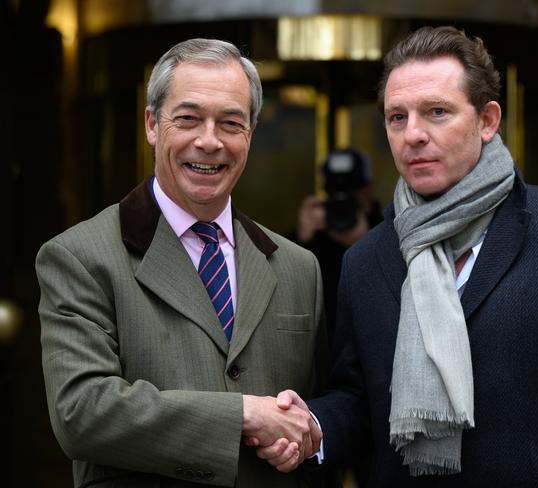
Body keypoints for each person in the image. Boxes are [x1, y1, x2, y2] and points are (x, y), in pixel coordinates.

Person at [255, 26, 538, 486]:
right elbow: (359, 402)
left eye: (437, 112)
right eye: (397, 117)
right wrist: (313, 428)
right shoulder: (366, 261)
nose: (414, 134)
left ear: (487, 120)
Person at [36, 38, 328, 487]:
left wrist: (307, 429)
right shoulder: (80, 257)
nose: (208, 141)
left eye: (230, 123)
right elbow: (83, 412)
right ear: (152, 124)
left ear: (250, 133)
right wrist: (244, 415)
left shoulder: (298, 268)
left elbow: (318, 412)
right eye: (188, 119)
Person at [292, 148, 382, 343]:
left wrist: (367, 245)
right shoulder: (313, 235)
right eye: (334, 191)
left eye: (352, 190)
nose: (342, 200)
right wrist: (301, 242)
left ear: (369, 189)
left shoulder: (388, 232)